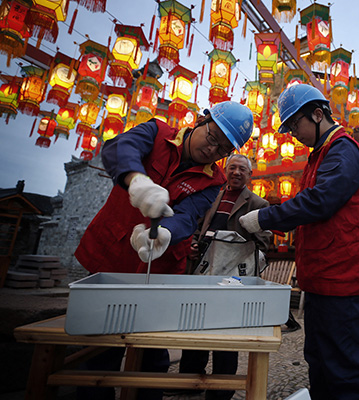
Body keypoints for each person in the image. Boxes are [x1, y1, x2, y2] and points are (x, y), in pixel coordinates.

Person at [74, 101, 253, 400]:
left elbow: (189, 213)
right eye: (211, 138)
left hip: (158, 265)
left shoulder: (214, 180)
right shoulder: (156, 132)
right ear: (200, 120)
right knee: (99, 348)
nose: (212, 151)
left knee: (152, 353)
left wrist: (166, 233)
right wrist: (137, 182)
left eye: (222, 149)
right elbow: (119, 147)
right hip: (113, 254)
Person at [239, 84, 359, 400]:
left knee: (346, 373)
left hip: (345, 282)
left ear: (318, 114)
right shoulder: (321, 154)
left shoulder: (343, 149)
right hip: (323, 280)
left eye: (294, 125)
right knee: (320, 362)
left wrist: (264, 218)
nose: (292, 134)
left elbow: (319, 202)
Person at [177, 153, 271, 400]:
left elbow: (263, 243)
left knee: (227, 332)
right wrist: (194, 244)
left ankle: (221, 389)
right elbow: (199, 227)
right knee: (195, 325)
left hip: (233, 281)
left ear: (250, 175)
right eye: (232, 168)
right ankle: (189, 379)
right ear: (225, 171)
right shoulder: (212, 195)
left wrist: (236, 246)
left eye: (242, 169)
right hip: (203, 273)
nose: (236, 172)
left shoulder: (258, 204)